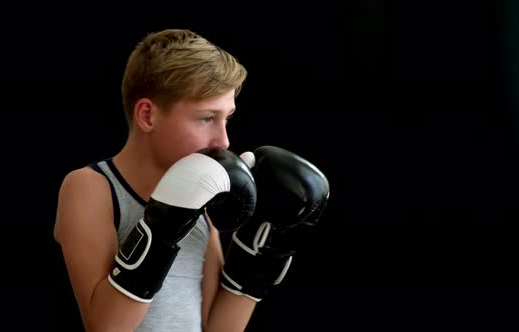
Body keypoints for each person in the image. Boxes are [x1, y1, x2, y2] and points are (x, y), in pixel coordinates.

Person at [54, 28, 330, 331]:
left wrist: (257, 259)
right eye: (207, 118)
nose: (223, 140)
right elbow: (105, 327)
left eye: (227, 118)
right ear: (148, 116)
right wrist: (163, 227)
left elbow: (219, 328)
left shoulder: (204, 198)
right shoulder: (92, 187)